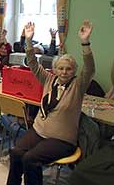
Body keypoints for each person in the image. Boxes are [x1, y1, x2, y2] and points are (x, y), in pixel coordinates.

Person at [6, 20, 95, 185]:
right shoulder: (49, 79)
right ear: (55, 69)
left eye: (68, 69)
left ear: (74, 71)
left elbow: (89, 68)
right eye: (61, 68)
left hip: (62, 140)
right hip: (39, 131)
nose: (64, 72)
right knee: (16, 152)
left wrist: (85, 42)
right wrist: (28, 40)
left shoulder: (78, 85)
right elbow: (32, 62)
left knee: (30, 158)